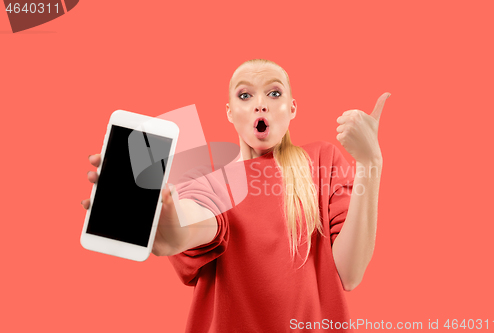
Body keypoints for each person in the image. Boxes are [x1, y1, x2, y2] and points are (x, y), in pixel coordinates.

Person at [81, 58, 389, 332]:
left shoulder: (322, 160)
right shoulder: (208, 181)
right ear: (230, 113)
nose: (260, 104)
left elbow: (350, 274)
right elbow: (196, 222)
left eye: (274, 93)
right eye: (245, 95)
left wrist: (369, 163)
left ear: (292, 107)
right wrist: (169, 224)